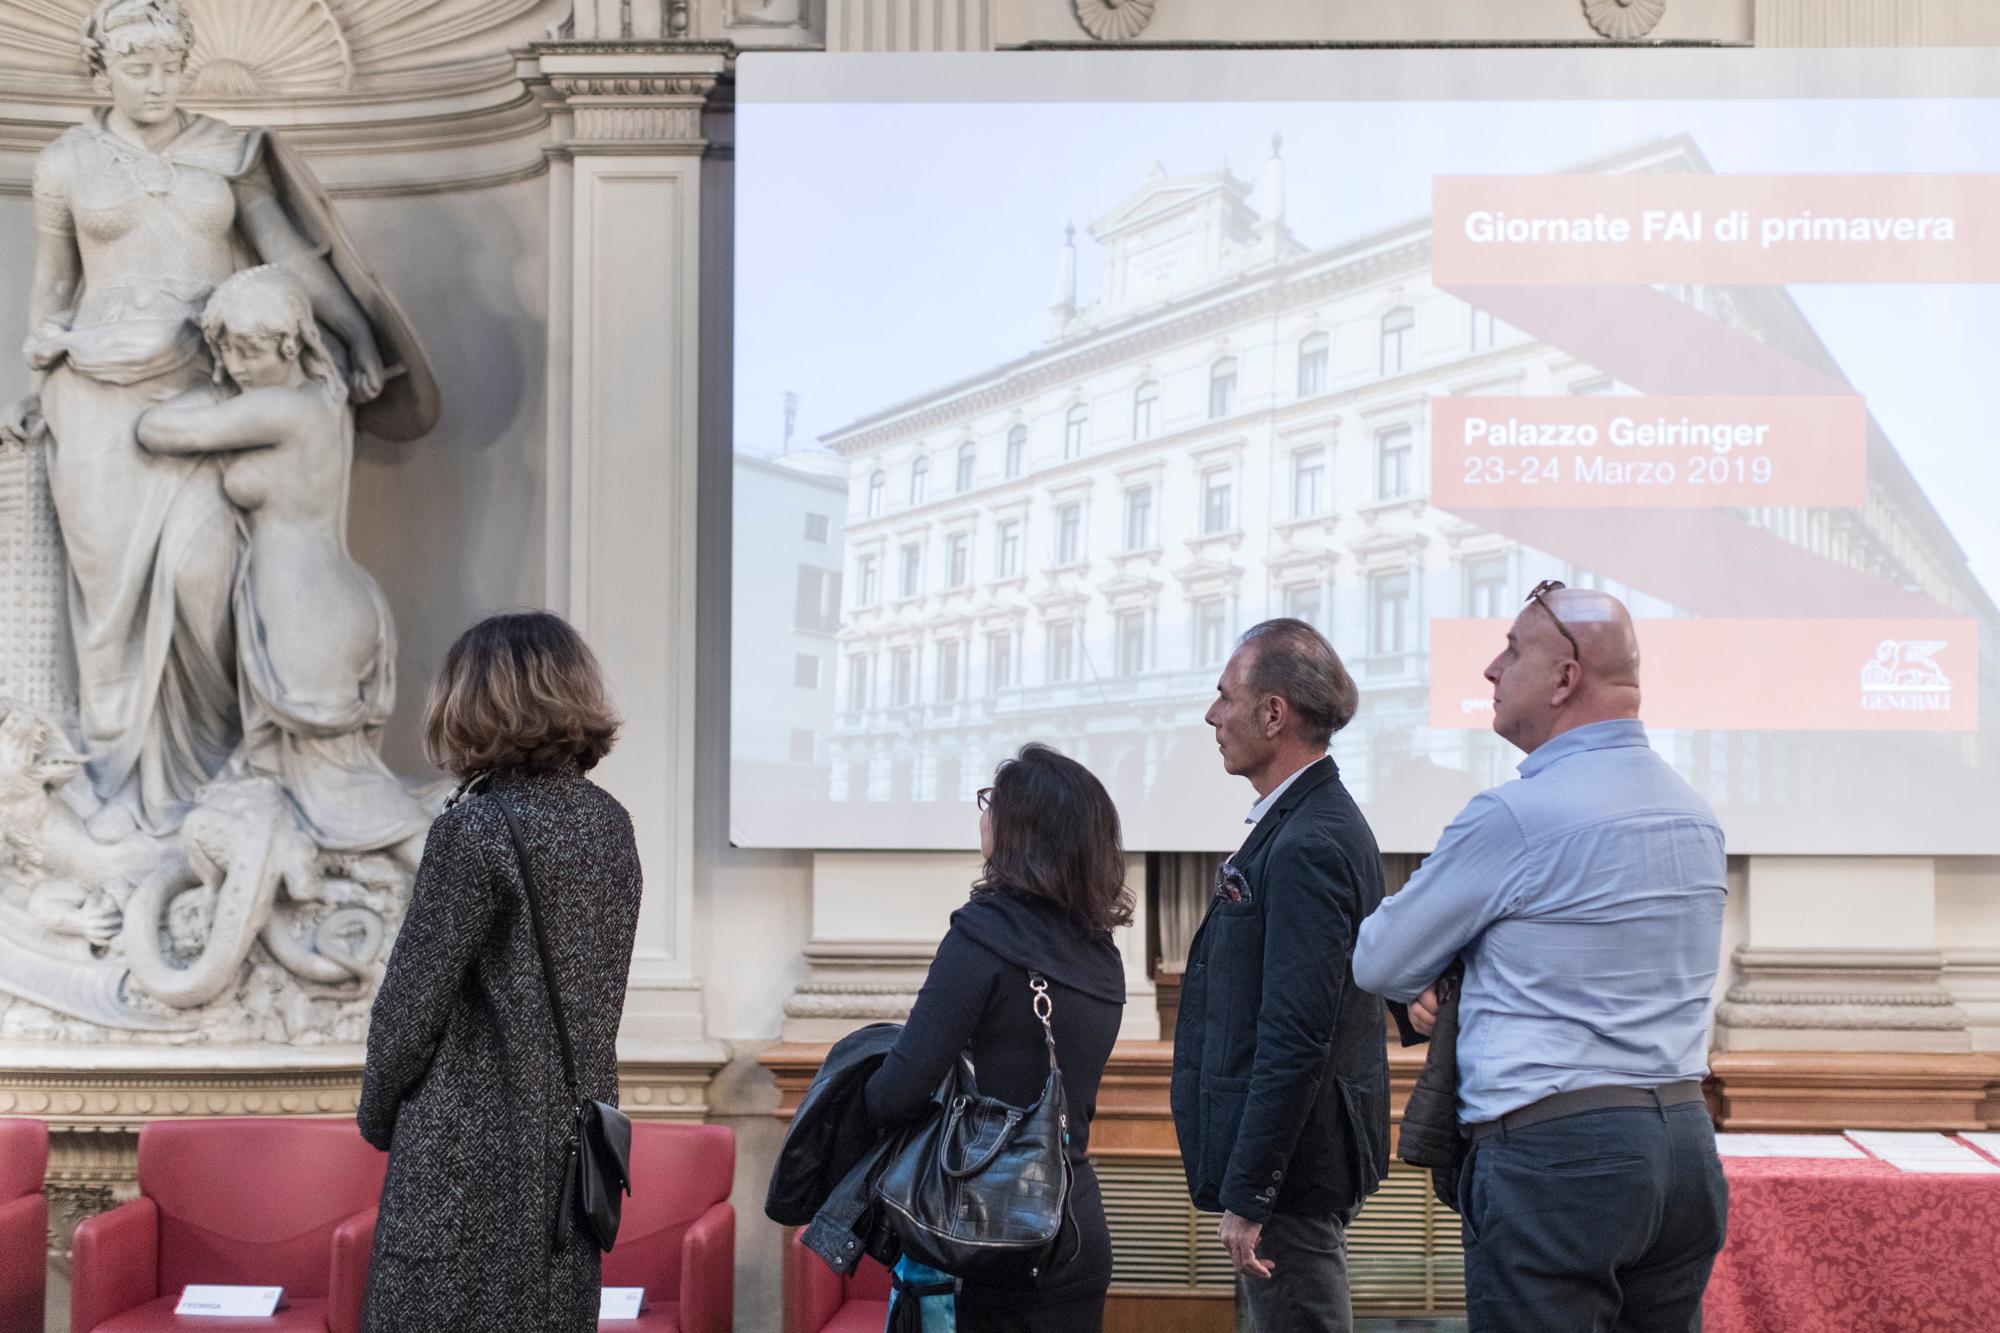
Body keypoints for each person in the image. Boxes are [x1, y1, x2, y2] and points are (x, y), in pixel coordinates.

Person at [4, 0, 424, 838]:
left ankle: (214, 778)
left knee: (205, 579)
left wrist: (350, 332)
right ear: (103, 70)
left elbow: (291, 255)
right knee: (108, 598)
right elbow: (53, 285)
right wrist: (35, 368)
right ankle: (120, 786)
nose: (155, 82)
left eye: (168, 65)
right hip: (95, 396)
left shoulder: (227, 150)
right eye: (136, 66)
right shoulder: (65, 163)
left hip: (208, 384)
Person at [1352, 582, 1728, 1332]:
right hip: (1684, 1144)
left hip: (1560, 1157)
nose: (1492, 669)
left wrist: (1447, 967)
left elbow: (1379, 959)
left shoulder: (1516, 816)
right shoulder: (1696, 813)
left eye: (1513, 649)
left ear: (1565, 678)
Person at [355, 612, 638, 1333]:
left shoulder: (474, 829)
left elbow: (407, 1012)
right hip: (569, 1168)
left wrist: (378, 1113)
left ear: (475, 702)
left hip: (464, 1168)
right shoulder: (611, 822)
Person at [136, 266, 428, 866]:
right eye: (223, 349)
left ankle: (464, 901)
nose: (235, 365)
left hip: (305, 614)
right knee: (327, 789)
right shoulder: (325, 395)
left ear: (290, 342)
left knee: (348, 798)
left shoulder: (281, 410)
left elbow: (157, 428)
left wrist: (194, 388)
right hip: (334, 597)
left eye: (248, 349)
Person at [864, 743, 1130, 1331]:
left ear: (1021, 829)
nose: (983, 814)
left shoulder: (982, 938)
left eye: (992, 802)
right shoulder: (1103, 954)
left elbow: (894, 1096)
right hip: (1076, 1228)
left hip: (990, 1233)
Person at [1171, 618, 1390, 1332]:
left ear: (1274, 713)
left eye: (1224, 696)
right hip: (1288, 1167)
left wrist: (1252, 1191)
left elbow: (1296, 1033)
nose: (1212, 714)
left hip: (1292, 1174)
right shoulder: (1300, 822)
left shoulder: (1309, 839)